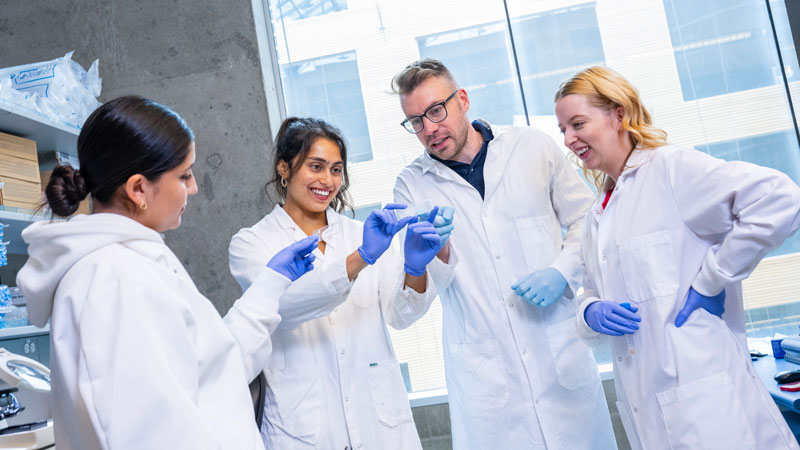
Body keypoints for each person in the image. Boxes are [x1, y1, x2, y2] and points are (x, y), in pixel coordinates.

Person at [17, 96, 319, 450]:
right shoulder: (115, 279)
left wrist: (271, 284)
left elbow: (208, 374)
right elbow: (150, 436)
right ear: (138, 189)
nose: (193, 187)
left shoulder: (134, 261)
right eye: (184, 175)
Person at [555, 66, 800, 450]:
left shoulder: (671, 170)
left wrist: (712, 279)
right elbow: (588, 289)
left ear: (619, 114)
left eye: (577, 123)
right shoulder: (596, 215)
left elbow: (781, 199)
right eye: (563, 130)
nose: (569, 139)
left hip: (707, 406)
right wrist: (590, 312)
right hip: (647, 408)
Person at [391, 59, 617, 449]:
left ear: (462, 100)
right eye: (415, 121)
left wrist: (562, 271)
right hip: (488, 389)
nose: (429, 129)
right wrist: (420, 262)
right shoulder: (411, 188)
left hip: (560, 362)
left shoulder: (531, 146)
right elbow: (407, 308)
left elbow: (589, 221)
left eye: (435, 111)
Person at [228, 117, 453, 449]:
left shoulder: (360, 232)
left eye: (336, 169)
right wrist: (360, 257)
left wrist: (415, 268)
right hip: (302, 428)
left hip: (377, 421)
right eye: (315, 167)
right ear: (284, 169)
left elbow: (400, 315)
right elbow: (284, 307)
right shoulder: (251, 244)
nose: (327, 180)